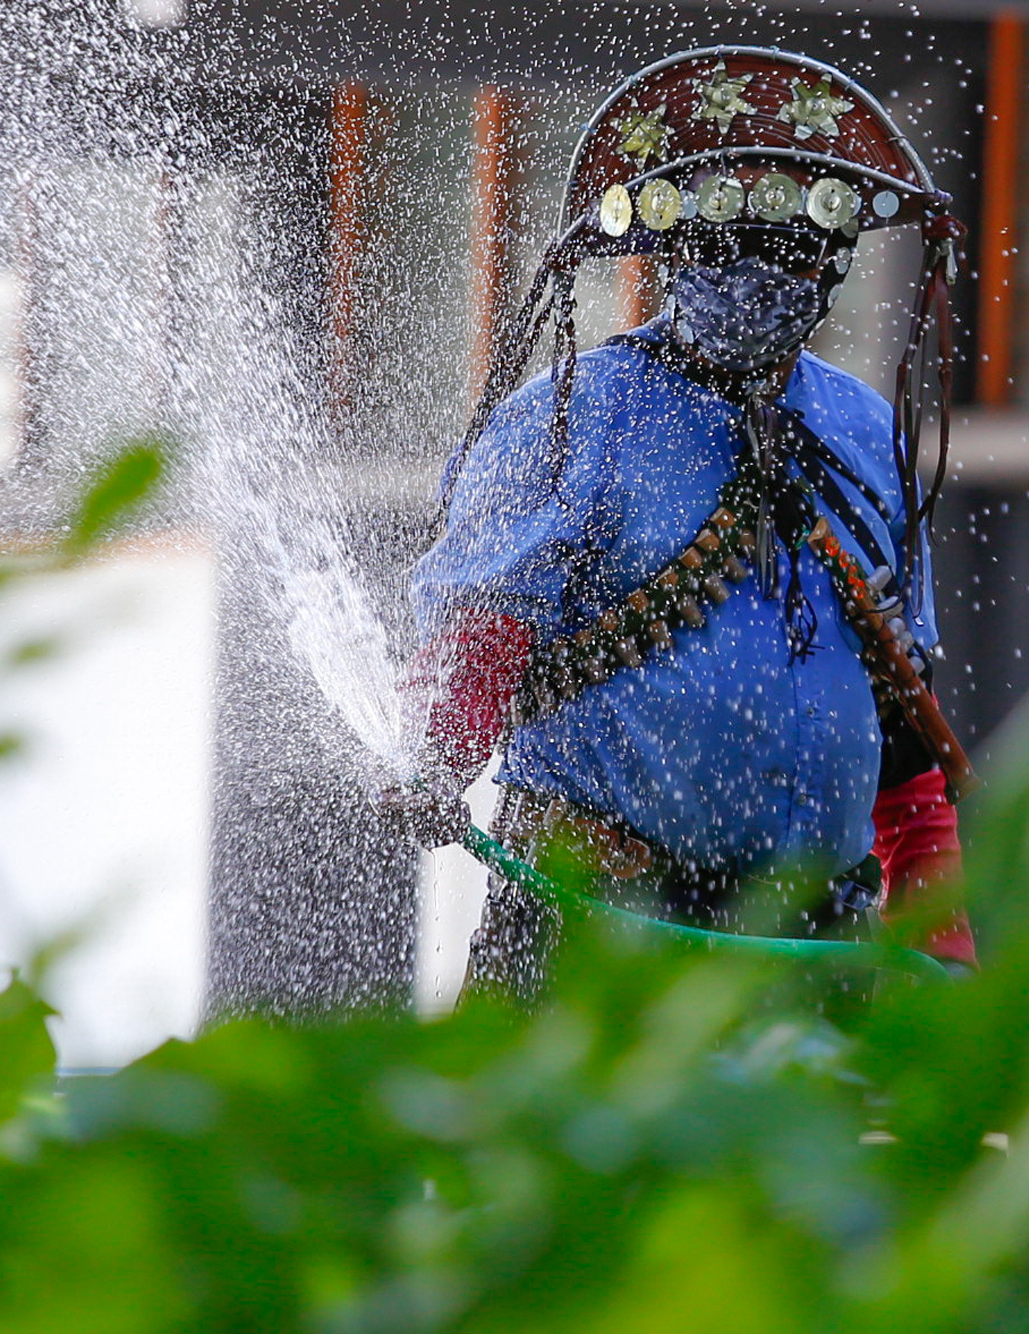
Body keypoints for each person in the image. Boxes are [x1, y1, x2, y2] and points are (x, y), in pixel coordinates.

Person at [392, 47, 976, 996]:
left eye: (785, 246)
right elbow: (479, 644)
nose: (752, 274)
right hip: (599, 935)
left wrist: (941, 937)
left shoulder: (869, 432)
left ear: (832, 260)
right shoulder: (574, 417)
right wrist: (434, 757)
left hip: (817, 948)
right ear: (663, 252)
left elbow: (902, 746)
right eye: (718, 245)